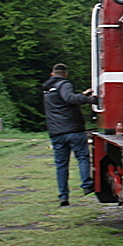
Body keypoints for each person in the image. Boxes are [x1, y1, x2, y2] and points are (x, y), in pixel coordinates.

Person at [42, 64, 97, 206]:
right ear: (65, 74)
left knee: (61, 165)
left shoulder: (47, 89)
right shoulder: (64, 84)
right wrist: (91, 99)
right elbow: (69, 98)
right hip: (73, 129)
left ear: (52, 74)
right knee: (82, 157)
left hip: (56, 132)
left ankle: (63, 196)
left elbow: (62, 102)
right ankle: (86, 185)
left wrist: (82, 95)